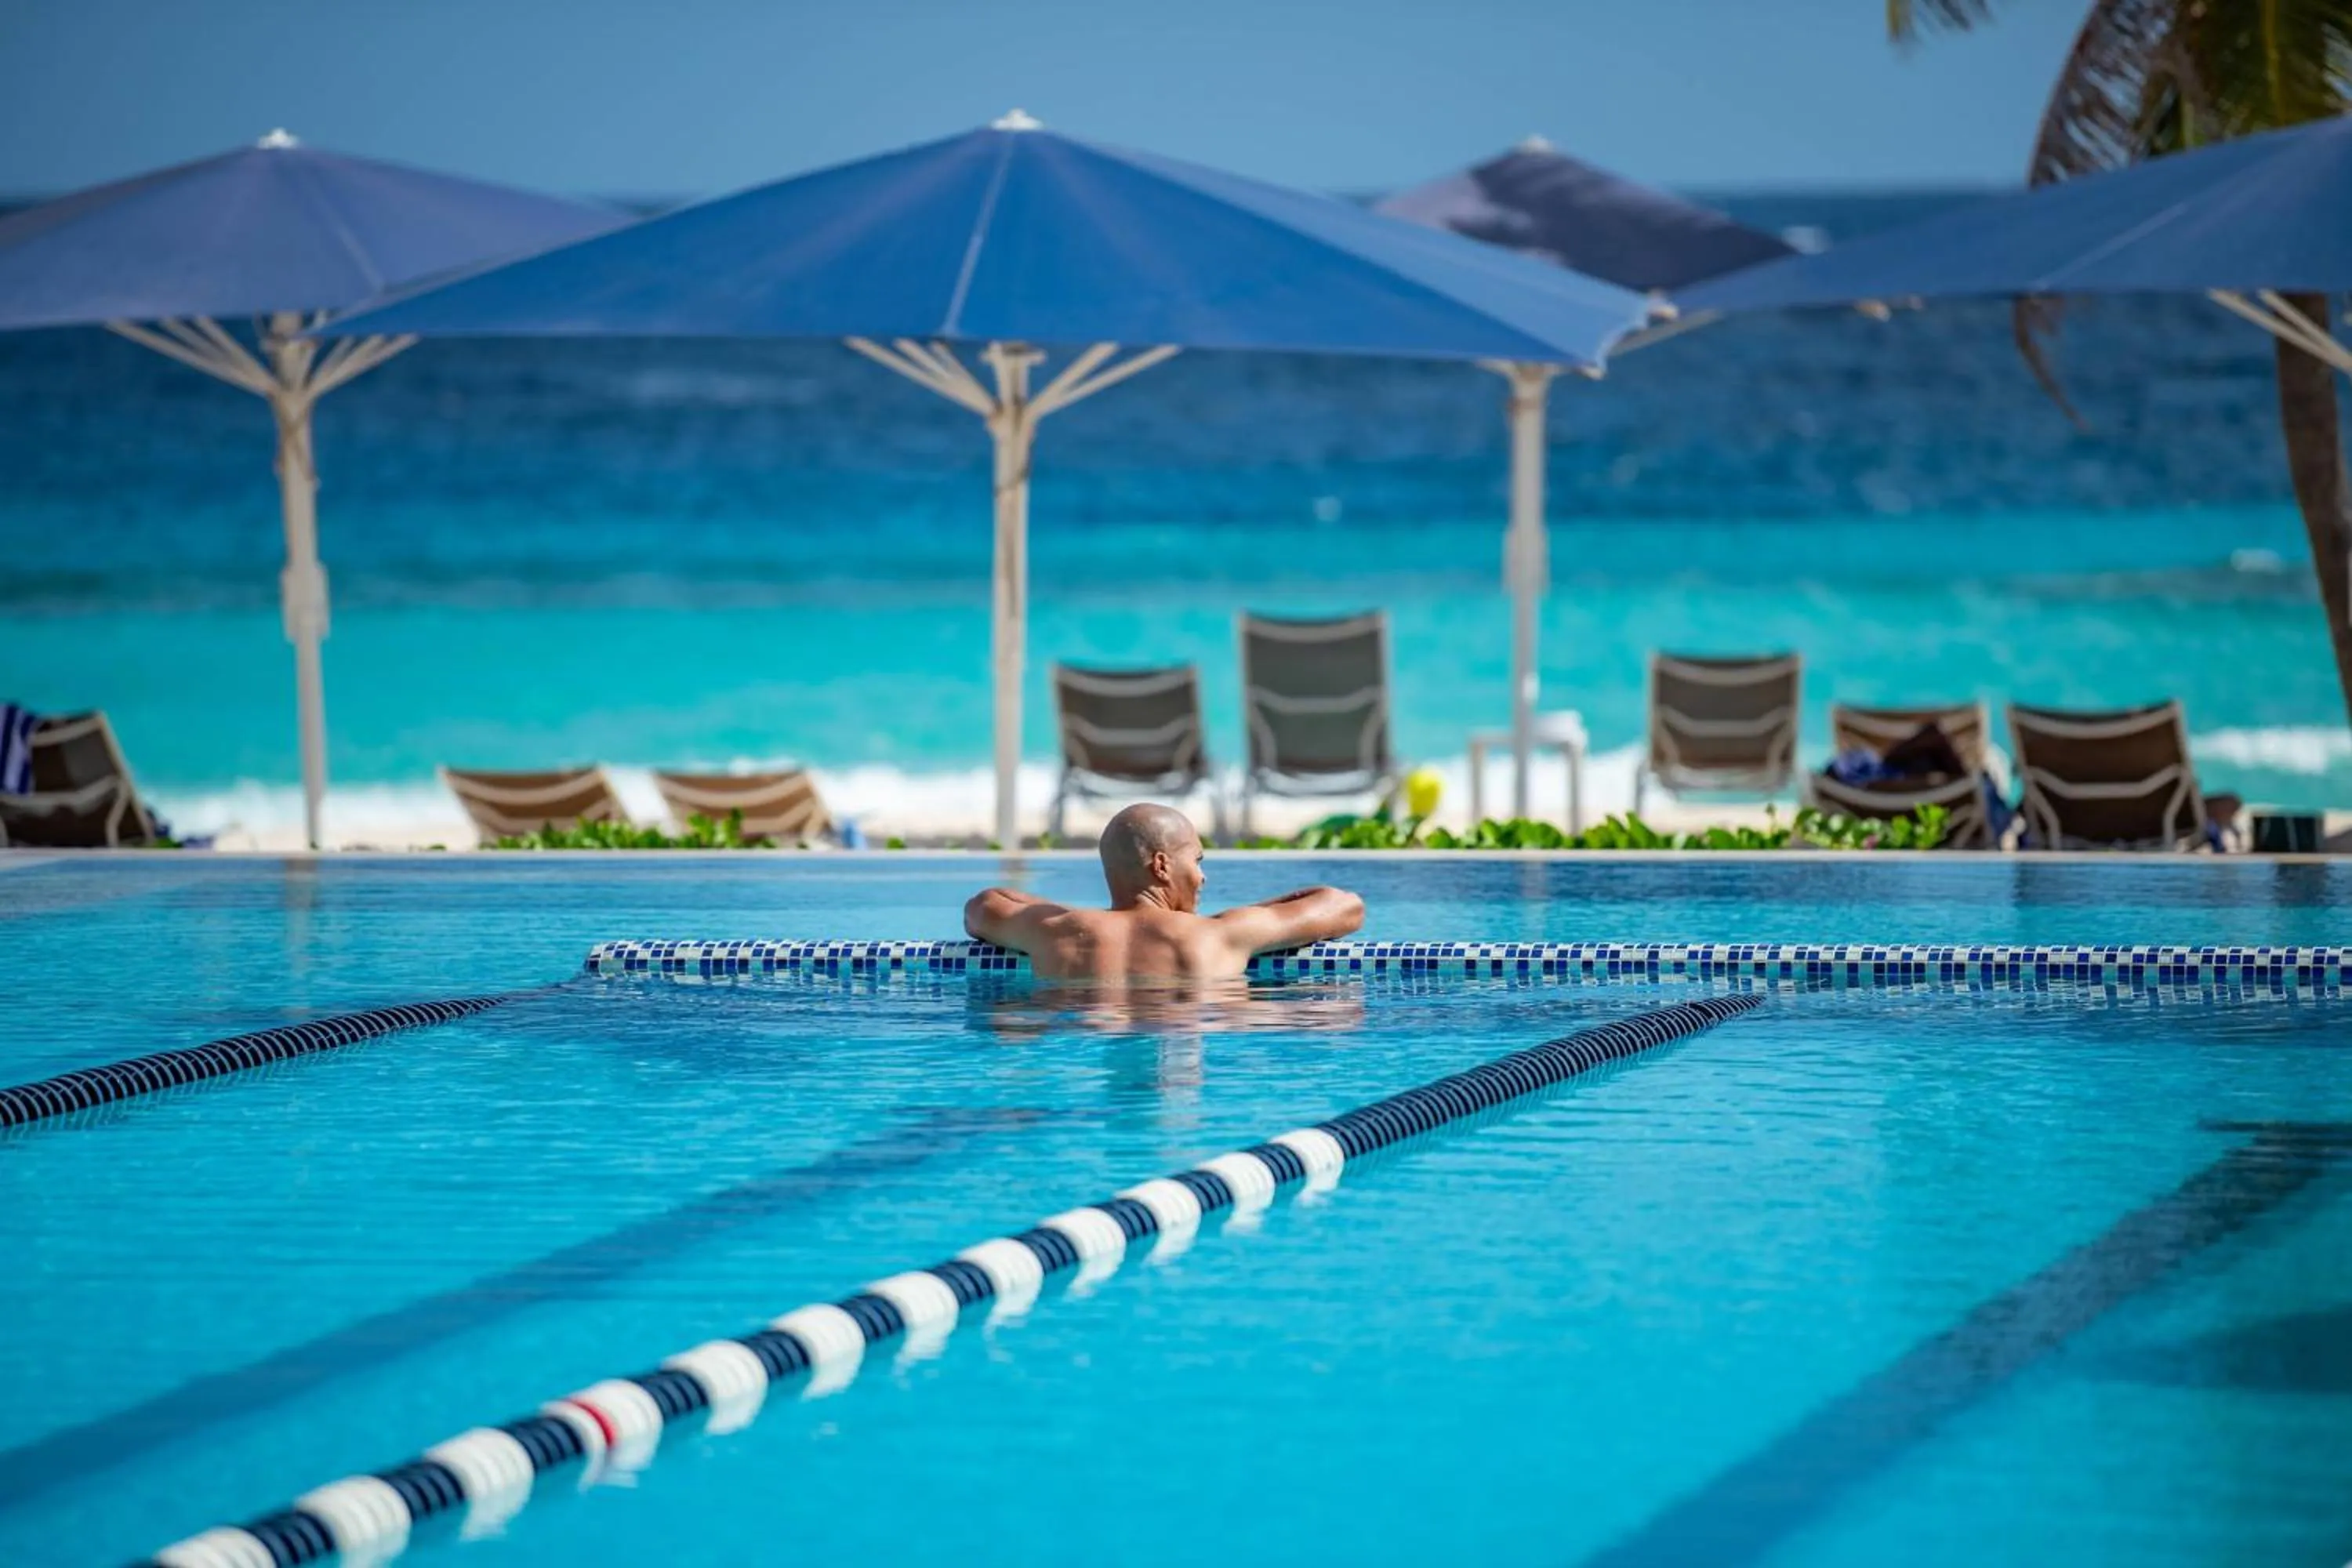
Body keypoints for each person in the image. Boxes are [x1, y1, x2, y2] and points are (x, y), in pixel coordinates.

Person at [963, 802, 1364, 982]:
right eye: (1198, 861)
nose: (1203, 878)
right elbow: (1345, 906)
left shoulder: (1057, 931)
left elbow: (984, 906)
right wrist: (1240, 915)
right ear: (1161, 866)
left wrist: (1092, 918)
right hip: (1190, 1027)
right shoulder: (1218, 934)